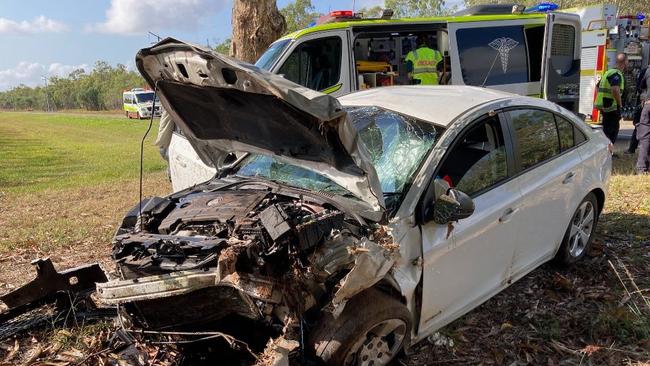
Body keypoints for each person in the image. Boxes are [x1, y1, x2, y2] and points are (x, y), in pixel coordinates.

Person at [594, 53, 627, 145]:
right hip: (612, 107)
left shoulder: (608, 72)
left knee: (606, 130)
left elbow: (597, 87)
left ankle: (607, 152)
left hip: (605, 107)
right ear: (625, 62)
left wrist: (600, 100)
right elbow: (615, 89)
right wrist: (619, 104)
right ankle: (609, 153)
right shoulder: (617, 74)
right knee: (612, 131)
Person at [625, 61, 650, 154]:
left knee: (639, 125)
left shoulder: (645, 71)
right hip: (644, 102)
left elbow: (639, 87)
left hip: (644, 103)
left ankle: (632, 148)